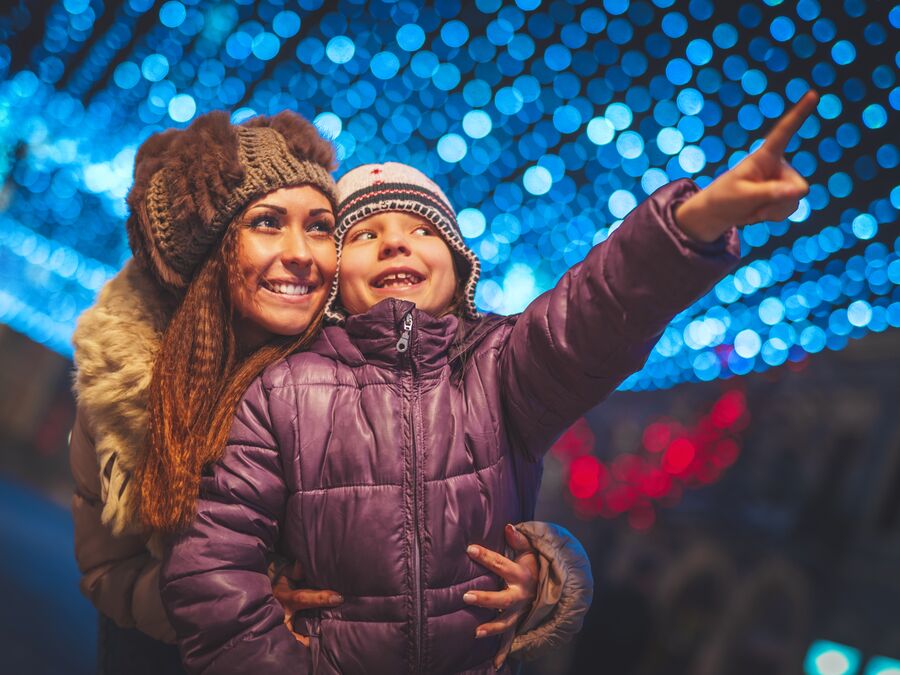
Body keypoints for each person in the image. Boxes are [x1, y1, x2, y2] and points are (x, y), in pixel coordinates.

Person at [160, 91, 819, 674]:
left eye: (423, 230)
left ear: (459, 266)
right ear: (332, 280)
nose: (397, 244)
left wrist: (694, 220)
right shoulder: (284, 390)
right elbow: (211, 560)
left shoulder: (502, 366)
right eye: (365, 233)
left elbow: (600, 307)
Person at [70, 110, 593, 674]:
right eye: (268, 222)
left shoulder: (357, 358)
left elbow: (441, 505)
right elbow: (109, 572)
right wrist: (240, 601)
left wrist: (542, 571)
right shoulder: (131, 381)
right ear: (215, 249)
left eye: (320, 227)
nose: (302, 252)